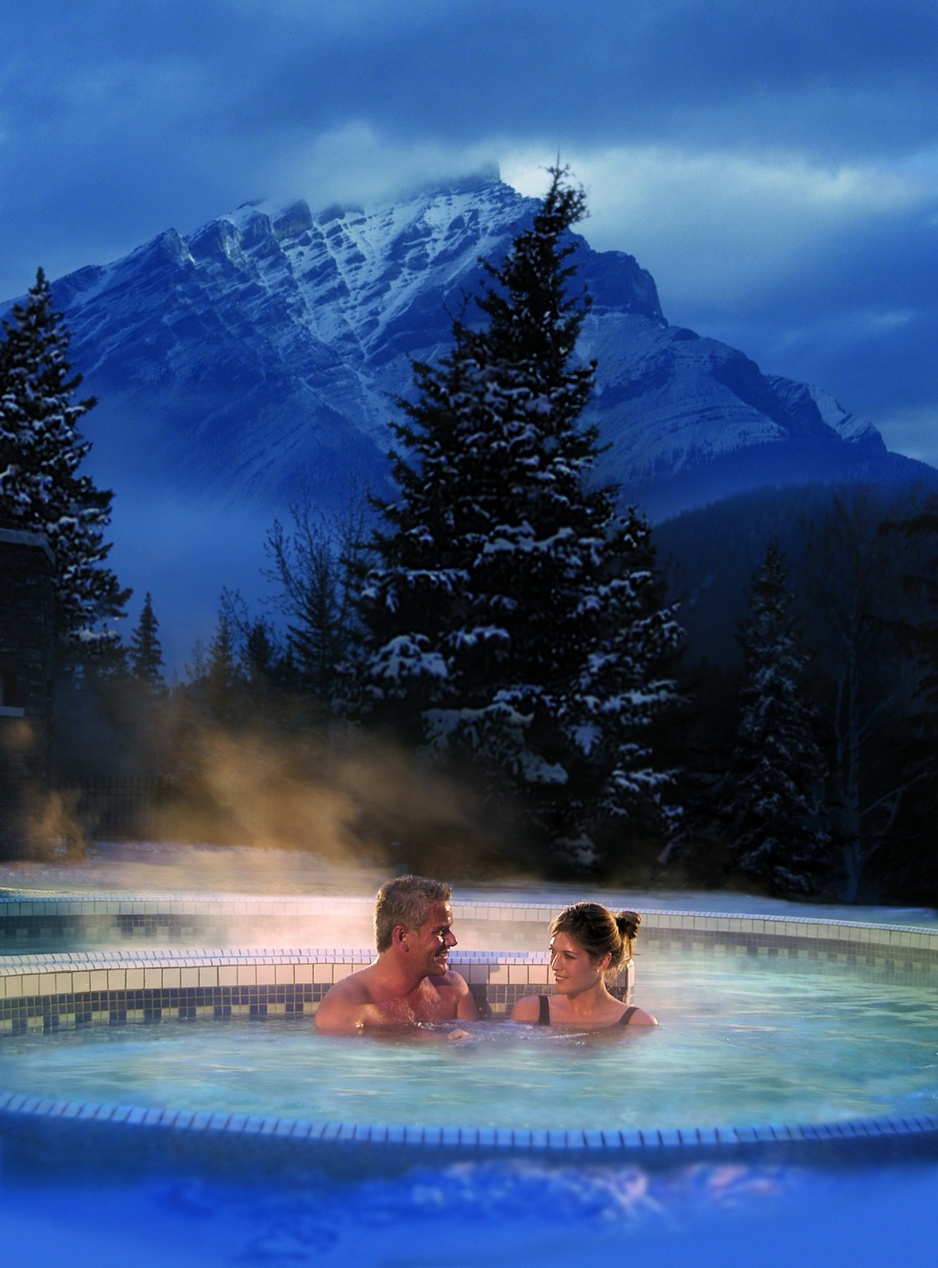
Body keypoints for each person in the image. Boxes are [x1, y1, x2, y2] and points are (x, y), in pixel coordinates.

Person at [314, 874, 479, 1033]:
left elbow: (470, 1055)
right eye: (441, 932)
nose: (452, 940)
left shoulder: (453, 990)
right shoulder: (345, 1006)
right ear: (402, 937)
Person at [511, 901, 657, 1028]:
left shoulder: (639, 1023)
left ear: (601, 961)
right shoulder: (531, 1012)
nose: (555, 965)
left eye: (569, 956)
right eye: (553, 952)